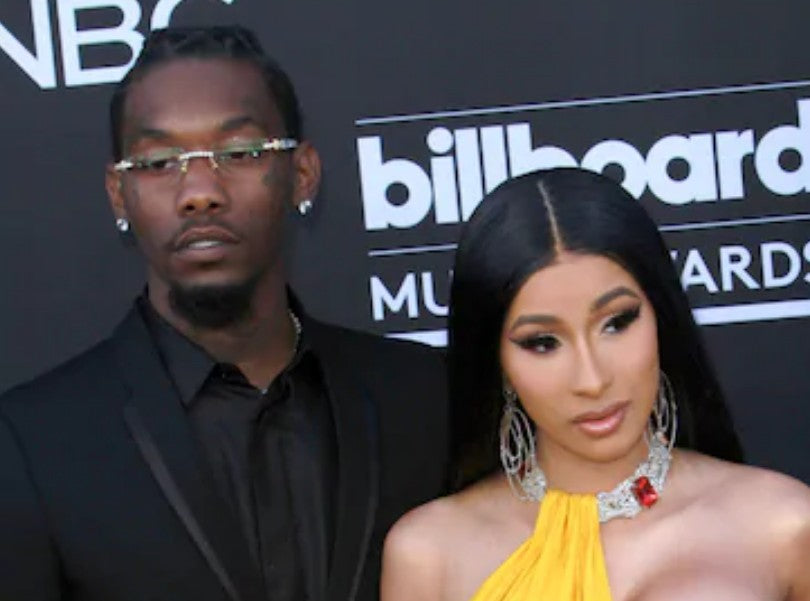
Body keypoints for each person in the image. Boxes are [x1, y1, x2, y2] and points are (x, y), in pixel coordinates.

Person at [0, 25, 447, 601]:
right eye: (159, 161)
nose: (199, 192)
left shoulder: (420, 396)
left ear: (302, 174)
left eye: (239, 153)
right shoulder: (35, 443)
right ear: (118, 193)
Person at [380, 168, 810, 601]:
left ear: (661, 315)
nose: (592, 379)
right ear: (498, 360)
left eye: (617, 323)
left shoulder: (784, 525)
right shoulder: (429, 555)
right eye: (542, 343)